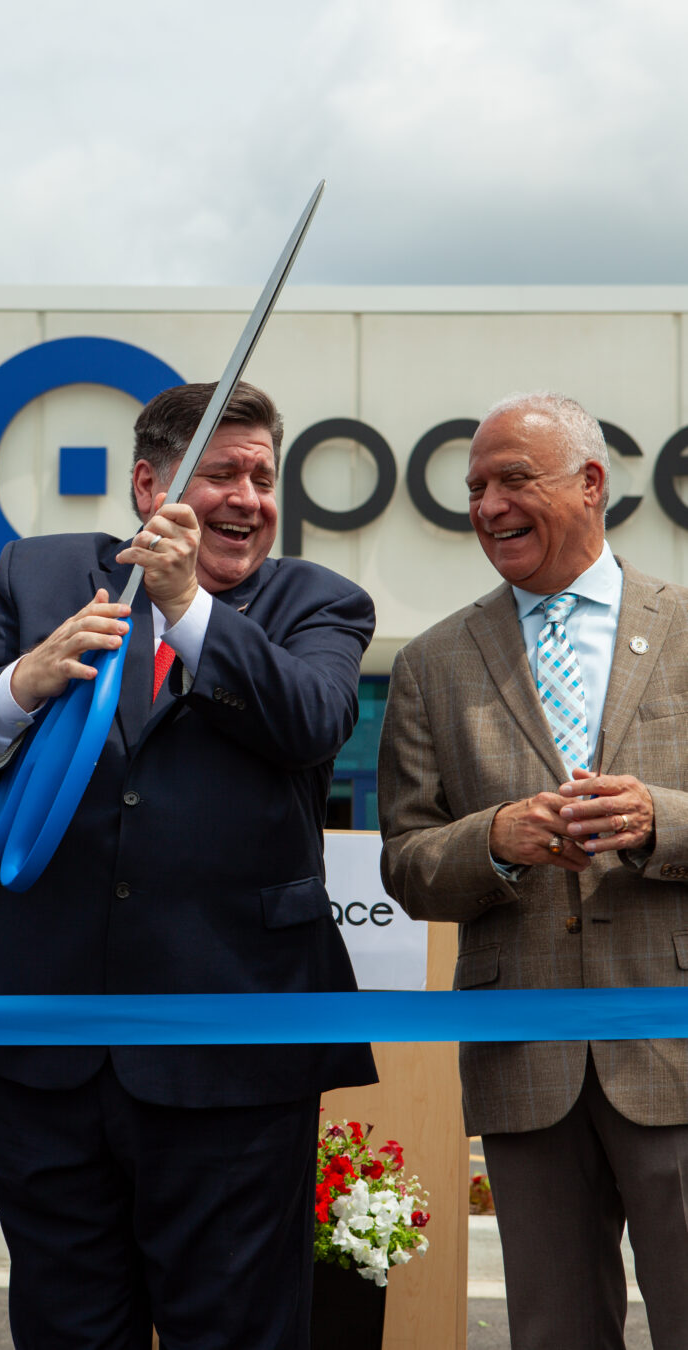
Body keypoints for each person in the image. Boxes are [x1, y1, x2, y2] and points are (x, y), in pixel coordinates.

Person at [0, 381, 376, 1350]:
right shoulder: (37, 576)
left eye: (262, 476)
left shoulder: (317, 603)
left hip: (235, 1066)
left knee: (238, 1329)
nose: (248, 497)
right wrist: (23, 680)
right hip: (46, 1059)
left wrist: (191, 606)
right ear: (147, 484)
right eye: (221, 474)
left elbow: (309, 723)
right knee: (68, 1326)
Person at [379, 391, 688, 1350]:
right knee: (553, 1330)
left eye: (515, 479)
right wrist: (495, 840)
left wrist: (659, 821)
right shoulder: (432, 662)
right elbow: (405, 860)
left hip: (673, 1049)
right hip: (526, 1061)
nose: (488, 505)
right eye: (475, 487)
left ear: (591, 484)